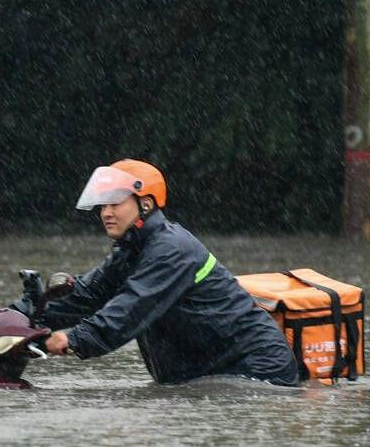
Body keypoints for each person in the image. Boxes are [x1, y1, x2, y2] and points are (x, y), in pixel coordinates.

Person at [21, 159, 303, 386]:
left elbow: (131, 309)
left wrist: (71, 339)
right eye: (102, 204)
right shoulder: (131, 249)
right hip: (205, 373)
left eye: (115, 202)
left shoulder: (171, 250)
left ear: (145, 204)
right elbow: (86, 294)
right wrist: (20, 317)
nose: (105, 212)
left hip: (258, 373)